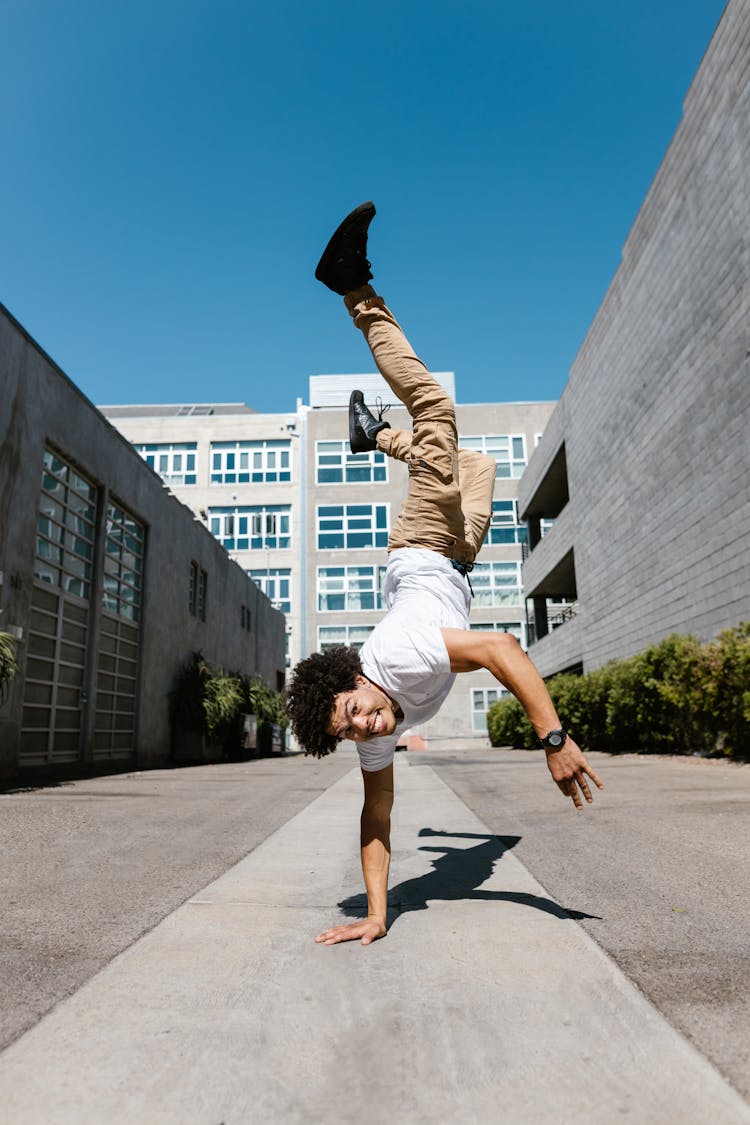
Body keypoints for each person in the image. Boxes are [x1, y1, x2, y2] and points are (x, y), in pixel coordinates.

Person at [287, 202, 604, 947]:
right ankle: (378, 436)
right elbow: (375, 816)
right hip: (459, 548)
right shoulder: (370, 730)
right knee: (479, 464)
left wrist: (553, 739)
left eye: (355, 709)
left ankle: (352, 288)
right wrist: (376, 910)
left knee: (438, 406)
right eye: (354, 728)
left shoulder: (398, 659)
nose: (369, 725)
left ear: (354, 677)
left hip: (426, 542)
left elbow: (503, 651)